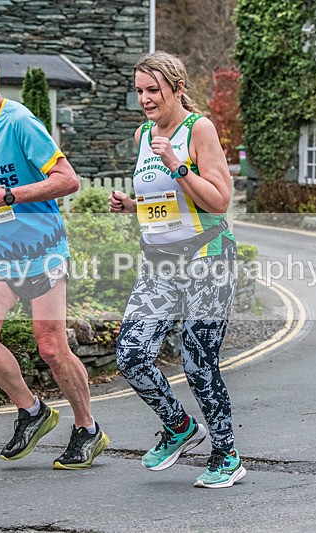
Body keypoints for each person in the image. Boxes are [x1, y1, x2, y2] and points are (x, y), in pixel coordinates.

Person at [0, 51, 108, 470]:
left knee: (52, 347)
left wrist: (8, 196)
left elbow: (68, 180)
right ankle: (32, 410)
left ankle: (87, 428)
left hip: (42, 251)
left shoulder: (19, 122)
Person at [109, 51, 246, 488]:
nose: (145, 100)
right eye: (140, 92)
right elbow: (164, 205)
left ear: (177, 88)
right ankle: (179, 426)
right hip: (160, 263)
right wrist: (133, 205)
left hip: (208, 258)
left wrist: (179, 165)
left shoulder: (198, 129)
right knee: (131, 354)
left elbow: (219, 201)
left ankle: (226, 454)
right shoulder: (143, 134)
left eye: (154, 91)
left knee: (197, 359)